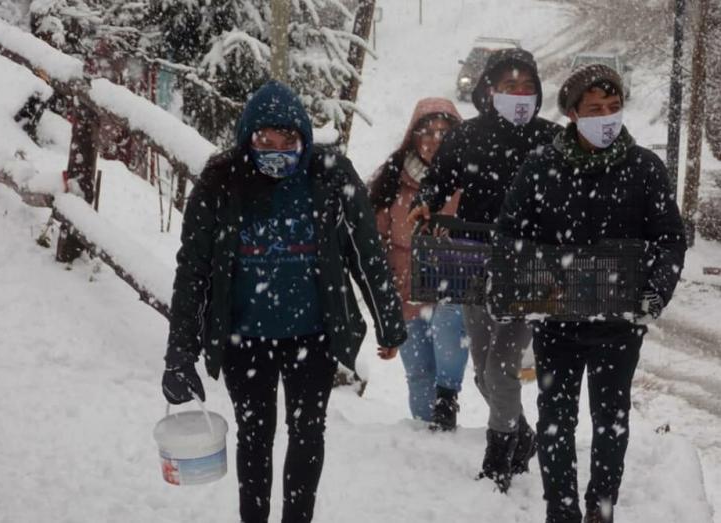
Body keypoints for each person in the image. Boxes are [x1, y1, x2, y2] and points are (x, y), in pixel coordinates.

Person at [161, 80, 407, 523]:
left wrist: (389, 320)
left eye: (287, 140)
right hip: (244, 340)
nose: (276, 149)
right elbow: (193, 272)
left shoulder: (330, 176)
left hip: (313, 337)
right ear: (247, 139)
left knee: (308, 433)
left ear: (304, 139)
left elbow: (364, 251)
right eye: (264, 140)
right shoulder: (221, 183)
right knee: (254, 438)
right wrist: (181, 352)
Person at [496, 64, 687, 523]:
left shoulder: (643, 168)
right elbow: (509, 233)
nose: (607, 117)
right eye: (596, 109)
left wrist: (655, 294)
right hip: (556, 320)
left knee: (611, 421)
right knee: (555, 422)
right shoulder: (542, 167)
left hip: (618, 323)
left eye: (614, 107)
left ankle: (601, 509)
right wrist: (523, 281)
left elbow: (669, 238)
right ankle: (560, 510)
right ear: (573, 115)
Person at [408, 48, 563, 491]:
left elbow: (573, 193)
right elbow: (439, 181)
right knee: (481, 369)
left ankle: (499, 460)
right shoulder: (468, 136)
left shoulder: (552, 140)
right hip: (474, 265)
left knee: (501, 368)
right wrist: (426, 204)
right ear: (490, 90)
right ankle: (524, 436)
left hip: (529, 268)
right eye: (509, 86)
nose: (519, 94)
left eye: (527, 87)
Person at [369, 97, 468, 431]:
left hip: (453, 293)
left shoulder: (473, 177)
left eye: (445, 131)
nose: (435, 139)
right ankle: (429, 442)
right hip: (407, 295)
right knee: (419, 373)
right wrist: (386, 307)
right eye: (426, 131)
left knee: (446, 369)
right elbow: (375, 245)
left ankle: (446, 411)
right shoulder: (392, 181)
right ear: (412, 136)